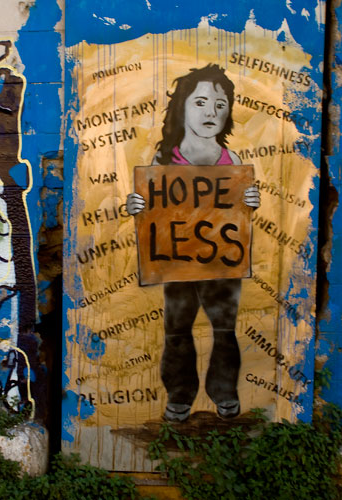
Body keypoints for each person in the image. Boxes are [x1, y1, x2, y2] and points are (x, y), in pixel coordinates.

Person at [127, 64, 259, 422]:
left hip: (221, 262)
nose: (210, 112)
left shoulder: (232, 163)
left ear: (229, 111)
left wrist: (250, 203)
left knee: (223, 329)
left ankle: (224, 391)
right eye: (200, 102)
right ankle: (180, 395)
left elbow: (240, 216)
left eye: (220, 104)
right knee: (178, 328)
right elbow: (150, 207)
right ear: (182, 107)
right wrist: (136, 205)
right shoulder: (164, 162)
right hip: (178, 260)